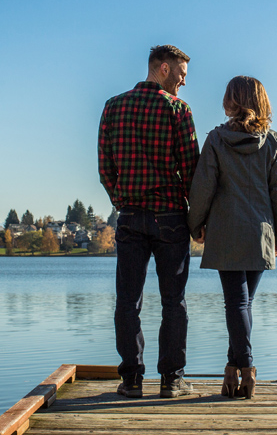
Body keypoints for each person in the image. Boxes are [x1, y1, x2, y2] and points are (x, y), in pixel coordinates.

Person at [98, 45, 200, 399]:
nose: (184, 83)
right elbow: (191, 171)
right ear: (163, 68)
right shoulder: (177, 110)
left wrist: (123, 199)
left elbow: (105, 168)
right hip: (171, 216)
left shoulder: (112, 107)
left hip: (130, 217)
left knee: (127, 302)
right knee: (174, 302)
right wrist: (195, 216)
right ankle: (172, 381)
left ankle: (131, 380)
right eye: (182, 74)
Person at [187, 75, 277, 399]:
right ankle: (236, 371)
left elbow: (203, 187)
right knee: (242, 304)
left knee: (238, 303)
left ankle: (244, 368)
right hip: (260, 233)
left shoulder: (216, 139)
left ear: (231, 101)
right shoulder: (272, 141)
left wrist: (195, 224)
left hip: (226, 232)